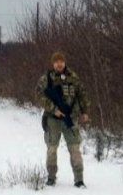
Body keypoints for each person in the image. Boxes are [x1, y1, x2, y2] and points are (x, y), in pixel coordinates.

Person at [36, 51, 90, 187]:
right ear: (53, 63)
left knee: (74, 148)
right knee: (52, 149)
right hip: (53, 119)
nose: (59, 64)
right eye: (56, 61)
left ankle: (79, 179)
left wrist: (85, 111)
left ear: (64, 63)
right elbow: (39, 95)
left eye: (61, 61)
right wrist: (54, 109)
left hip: (70, 118)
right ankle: (51, 177)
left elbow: (82, 94)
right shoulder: (47, 78)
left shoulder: (73, 77)